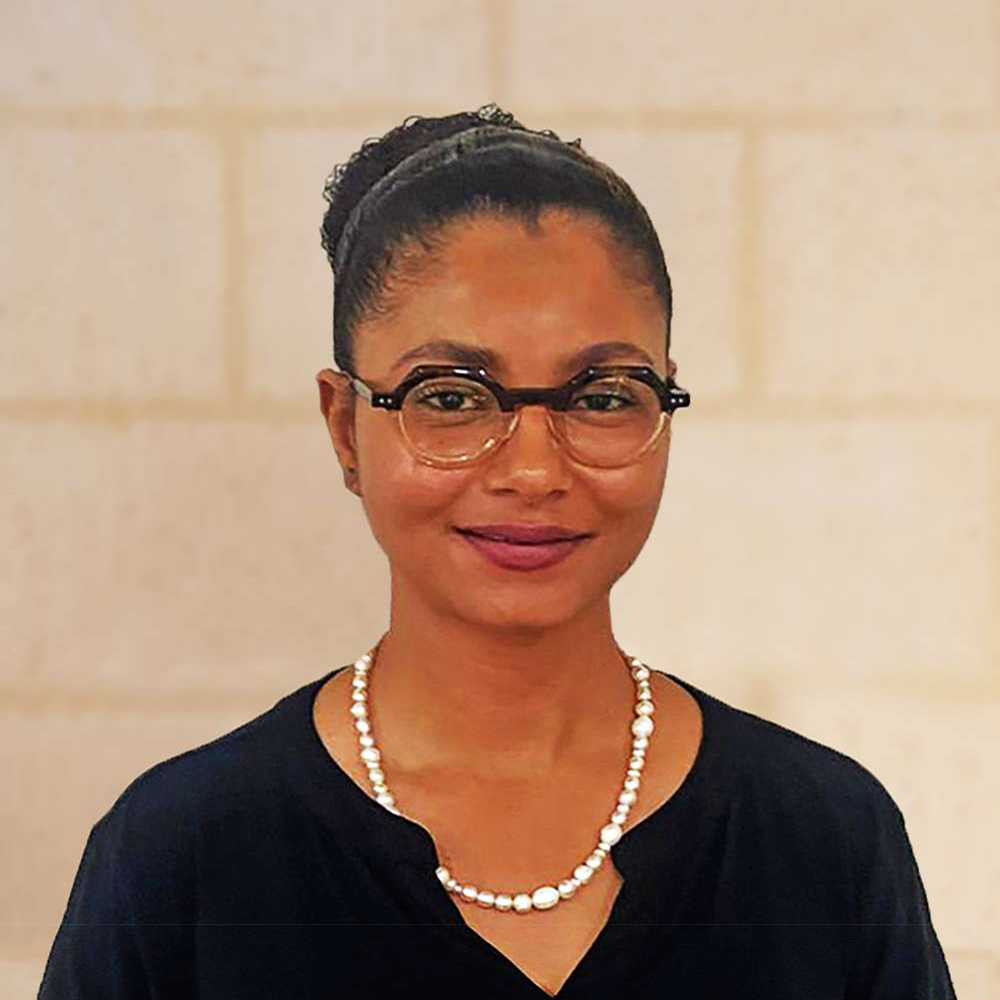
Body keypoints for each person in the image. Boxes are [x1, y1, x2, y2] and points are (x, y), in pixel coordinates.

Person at [38, 103, 957, 999]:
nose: (532, 471)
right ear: (345, 427)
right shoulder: (184, 854)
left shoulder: (825, 836)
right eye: (449, 396)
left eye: (601, 396)